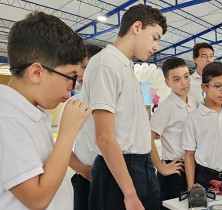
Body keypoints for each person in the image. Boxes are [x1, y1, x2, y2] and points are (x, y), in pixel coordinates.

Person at [0, 11, 90, 209]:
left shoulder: (29, 111)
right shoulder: (7, 119)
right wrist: (68, 132)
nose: (73, 87)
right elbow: (37, 198)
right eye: (71, 76)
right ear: (37, 72)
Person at [82, 4, 167, 210]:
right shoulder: (105, 64)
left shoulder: (126, 66)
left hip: (141, 165)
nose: (156, 46)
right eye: (154, 37)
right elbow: (104, 137)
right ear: (136, 27)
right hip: (120, 171)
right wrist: (129, 193)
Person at [183, 62, 222, 190]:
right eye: (218, 86)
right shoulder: (194, 118)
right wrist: (191, 186)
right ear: (204, 87)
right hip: (206, 177)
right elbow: (189, 154)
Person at [58, 43, 102, 210]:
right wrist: (83, 170)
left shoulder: (117, 101)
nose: (82, 73)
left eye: (87, 67)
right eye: (80, 68)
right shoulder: (72, 103)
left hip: (116, 177)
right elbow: (63, 148)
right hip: (86, 180)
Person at [149, 57, 197, 207]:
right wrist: (161, 167)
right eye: (176, 79)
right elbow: (147, 138)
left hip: (194, 165)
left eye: (186, 77)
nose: (184, 82)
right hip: (176, 170)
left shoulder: (194, 102)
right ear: (167, 83)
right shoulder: (166, 107)